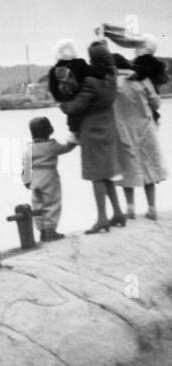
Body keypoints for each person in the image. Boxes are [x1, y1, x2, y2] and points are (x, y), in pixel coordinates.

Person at [59, 40, 122, 233]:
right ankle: (118, 212)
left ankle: (102, 218)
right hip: (108, 126)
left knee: (96, 176)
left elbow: (76, 106)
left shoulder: (91, 81)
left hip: (93, 130)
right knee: (107, 173)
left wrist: (63, 104)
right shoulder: (112, 77)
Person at [113, 44, 168, 221]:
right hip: (145, 126)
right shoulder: (142, 79)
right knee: (149, 165)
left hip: (122, 128)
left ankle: (130, 208)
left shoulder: (112, 83)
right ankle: (152, 208)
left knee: (127, 167)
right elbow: (156, 103)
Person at [21, 116, 76, 242]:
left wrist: (26, 180)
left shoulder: (28, 148)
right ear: (50, 130)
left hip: (35, 179)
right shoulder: (52, 145)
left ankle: (42, 231)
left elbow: (25, 166)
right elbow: (66, 148)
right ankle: (50, 230)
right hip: (50, 178)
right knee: (52, 204)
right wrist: (74, 139)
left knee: (37, 204)